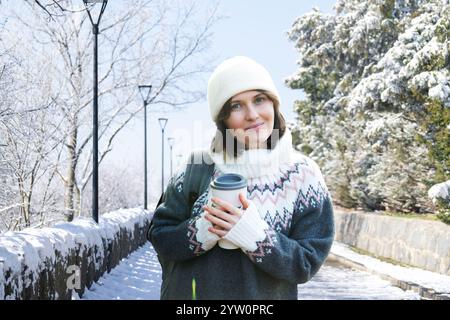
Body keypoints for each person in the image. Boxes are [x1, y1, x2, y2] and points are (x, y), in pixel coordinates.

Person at [148, 56, 334, 300]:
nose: (252, 114)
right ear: (222, 118)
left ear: (274, 104)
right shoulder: (197, 166)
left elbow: (306, 262)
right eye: (236, 106)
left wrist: (256, 237)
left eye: (260, 99)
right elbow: (160, 235)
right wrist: (201, 232)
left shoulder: (303, 174)